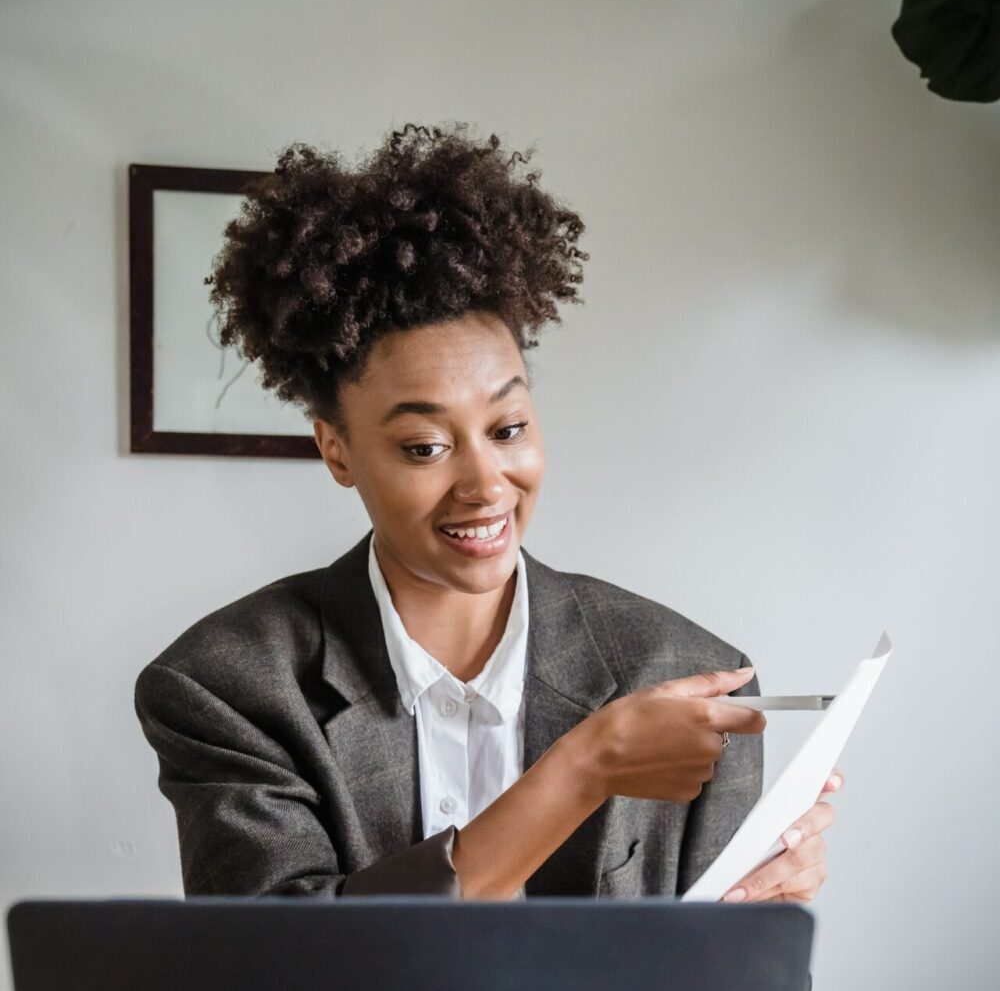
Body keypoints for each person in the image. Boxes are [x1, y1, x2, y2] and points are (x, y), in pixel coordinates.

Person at [135, 123, 840, 908]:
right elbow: (274, 976)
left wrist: (768, 917)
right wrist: (581, 770)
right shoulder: (228, 685)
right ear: (336, 451)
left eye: (508, 431)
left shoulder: (680, 673)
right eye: (425, 446)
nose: (485, 485)